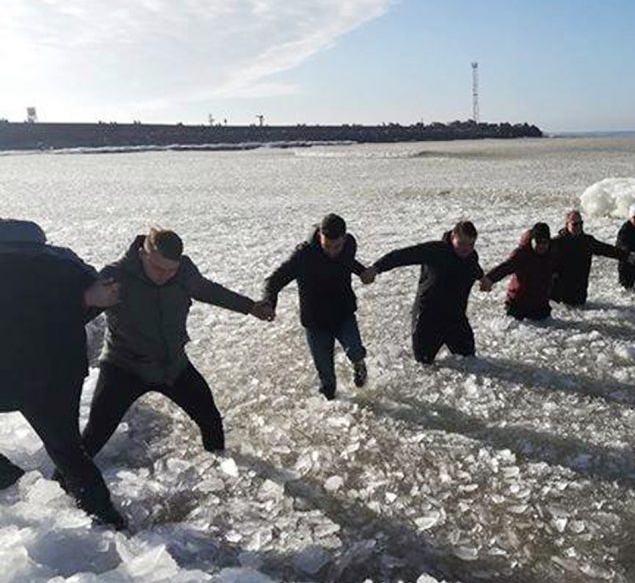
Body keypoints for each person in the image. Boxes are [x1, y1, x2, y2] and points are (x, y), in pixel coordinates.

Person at [78, 228, 273, 461]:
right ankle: (61, 485)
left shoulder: (184, 273)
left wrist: (250, 307)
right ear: (142, 254)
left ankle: (220, 468)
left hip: (172, 366)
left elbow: (210, 291)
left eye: (171, 270)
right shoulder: (116, 277)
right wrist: (84, 301)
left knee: (209, 418)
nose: (164, 276)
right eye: (158, 268)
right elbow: (76, 315)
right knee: (94, 436)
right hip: (124, 367)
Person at [0, 219, 126, 528]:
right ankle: (107, 521)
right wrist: (75, 306)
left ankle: (9, 477)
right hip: (57, 374)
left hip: (8, 373)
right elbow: (102, 299)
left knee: (68, 451)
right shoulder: (66, 261)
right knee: (68, 451)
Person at [262, 214, 373, 400]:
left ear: (344, 239)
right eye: (327, 246)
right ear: (320, 236)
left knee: (355, 350)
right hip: (315, 321)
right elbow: (273, 281)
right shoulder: (303, 255)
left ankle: (359, 364)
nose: (332, 251)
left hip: (343, 313)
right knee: (328, 383)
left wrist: (362, 272)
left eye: (337, 246)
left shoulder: (348, 246)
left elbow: (346, 262)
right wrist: (269, 303)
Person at [365, 220, 488, 365]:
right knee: (423, 366)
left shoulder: (471, 256)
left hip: (456, 319)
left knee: (471, 362)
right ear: (453, 236)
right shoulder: (435, 250)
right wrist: (376, 268)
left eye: (471, 245)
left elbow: (474, 268)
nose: (466, 249)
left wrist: (483, 278)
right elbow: (402, 256)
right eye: (461, 244)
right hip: (427, 319)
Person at [482, 222, 557, 321]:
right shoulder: (522, 254)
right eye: (538, 242)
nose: (541, 246)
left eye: (545, 242)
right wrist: (489, 279)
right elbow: (505, 267)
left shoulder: (553, 252)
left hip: (540, 305)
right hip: (518, 306)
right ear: (532, 240)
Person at [550, 210, 627, 306]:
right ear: (567, 225)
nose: (578, 226)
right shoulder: (557, 243)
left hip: (579, 293)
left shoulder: (587, 241)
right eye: (575, 224)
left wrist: (626, 255)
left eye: (581, 223)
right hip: (559, 295)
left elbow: (606, 249)